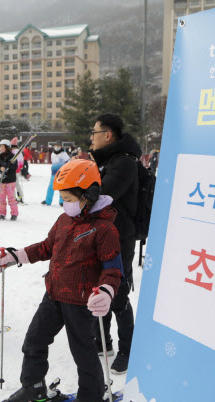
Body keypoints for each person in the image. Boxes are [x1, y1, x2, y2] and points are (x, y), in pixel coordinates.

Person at [0, 160, 123, 402]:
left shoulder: (104, 228)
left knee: (82, 349)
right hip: (54, 293)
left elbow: (113, 268)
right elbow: (46, 247)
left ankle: (93, 392)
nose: (65, 203)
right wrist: (16, 256)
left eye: (69, 197)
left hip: (81, 300)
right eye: (62, 197)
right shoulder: (65, 219)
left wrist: (107, 291)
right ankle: (33, 386)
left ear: (90, 194)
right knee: (34, 339)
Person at [89, 113, 141, 374]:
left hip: (119, 237)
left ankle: (128, 350)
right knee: (100, 287)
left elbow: (102, 197)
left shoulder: (123, 163)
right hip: (103, 234)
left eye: (94, 133)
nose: (91, 138)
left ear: (107, 135)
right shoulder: (108, 160)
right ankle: (103, 340)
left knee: (118, 293)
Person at [0, 139, 19, 221]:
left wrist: (7, 166)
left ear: (7, 147)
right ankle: (2, 213)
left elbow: (15, 167)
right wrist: (0, 168)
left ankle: (14, 213)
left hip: (10, 180)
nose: (0, 148)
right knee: (2, 198)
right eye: (0, 146)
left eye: (2, 146)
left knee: (11, 198)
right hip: (1, 180)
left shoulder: (12, 157)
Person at [42, 141, 70, 206]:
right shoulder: (53, 154)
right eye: (56, 145)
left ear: (61, 146)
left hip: (61, 173)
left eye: (58, 145)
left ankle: (62, 201)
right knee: (51, 187)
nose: (57, 147)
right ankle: (48, 201)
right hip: (54, 173)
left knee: (61, 187)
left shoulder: (64, 154)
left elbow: (68, 162)